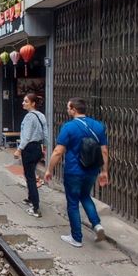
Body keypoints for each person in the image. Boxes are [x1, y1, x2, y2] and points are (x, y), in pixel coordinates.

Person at [44, 97, 109, 247]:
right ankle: (97, 225)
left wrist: (49, 169)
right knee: (85, 196)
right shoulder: (98, 126)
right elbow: (104, 151)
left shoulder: (69, 127)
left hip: (74, 170)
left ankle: (76, 238)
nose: (67, 110)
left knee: (73, 203)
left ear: (73, 109)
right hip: (92, 170)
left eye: (68, 108)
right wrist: (104, 172)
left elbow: (58, 151)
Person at [14, 93, 48, 218]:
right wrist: (44, 147)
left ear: (33, 103)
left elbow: (26, 136)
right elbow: (45, 133)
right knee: (31, 173)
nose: (23, 103)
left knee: (30, 177)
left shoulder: (29, 117)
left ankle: (36, 207)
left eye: (26, 101)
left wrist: (19, 149)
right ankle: (30, 198)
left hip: (29, 148)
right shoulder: (41, 116)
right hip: (38, 148)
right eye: (23, 101)